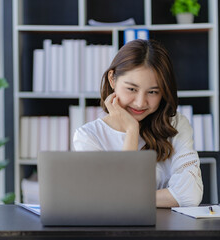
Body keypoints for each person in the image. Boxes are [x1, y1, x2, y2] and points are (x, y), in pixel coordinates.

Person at [73, 39, 203, 208]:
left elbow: (190, 195)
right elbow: (102, 200)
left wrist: (124, 197)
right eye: (132, 89)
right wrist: (131, 130)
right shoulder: (88, 137)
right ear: (112, 80)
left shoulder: (175, 124)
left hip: (168, 230)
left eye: (153, 92)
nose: (141, 103)